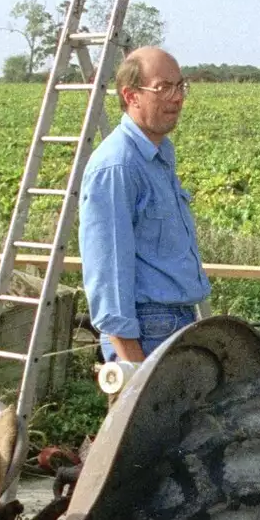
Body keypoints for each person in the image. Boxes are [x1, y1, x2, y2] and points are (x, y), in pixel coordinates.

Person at [79, 46, 210, 365]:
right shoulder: (117, 166)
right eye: (163, 88)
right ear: (131, 95)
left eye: (180, 86)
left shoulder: (159, 155)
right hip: (146, 332)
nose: (177, 98)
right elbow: (107, 276)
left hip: (177, 323)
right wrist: (134, 369)